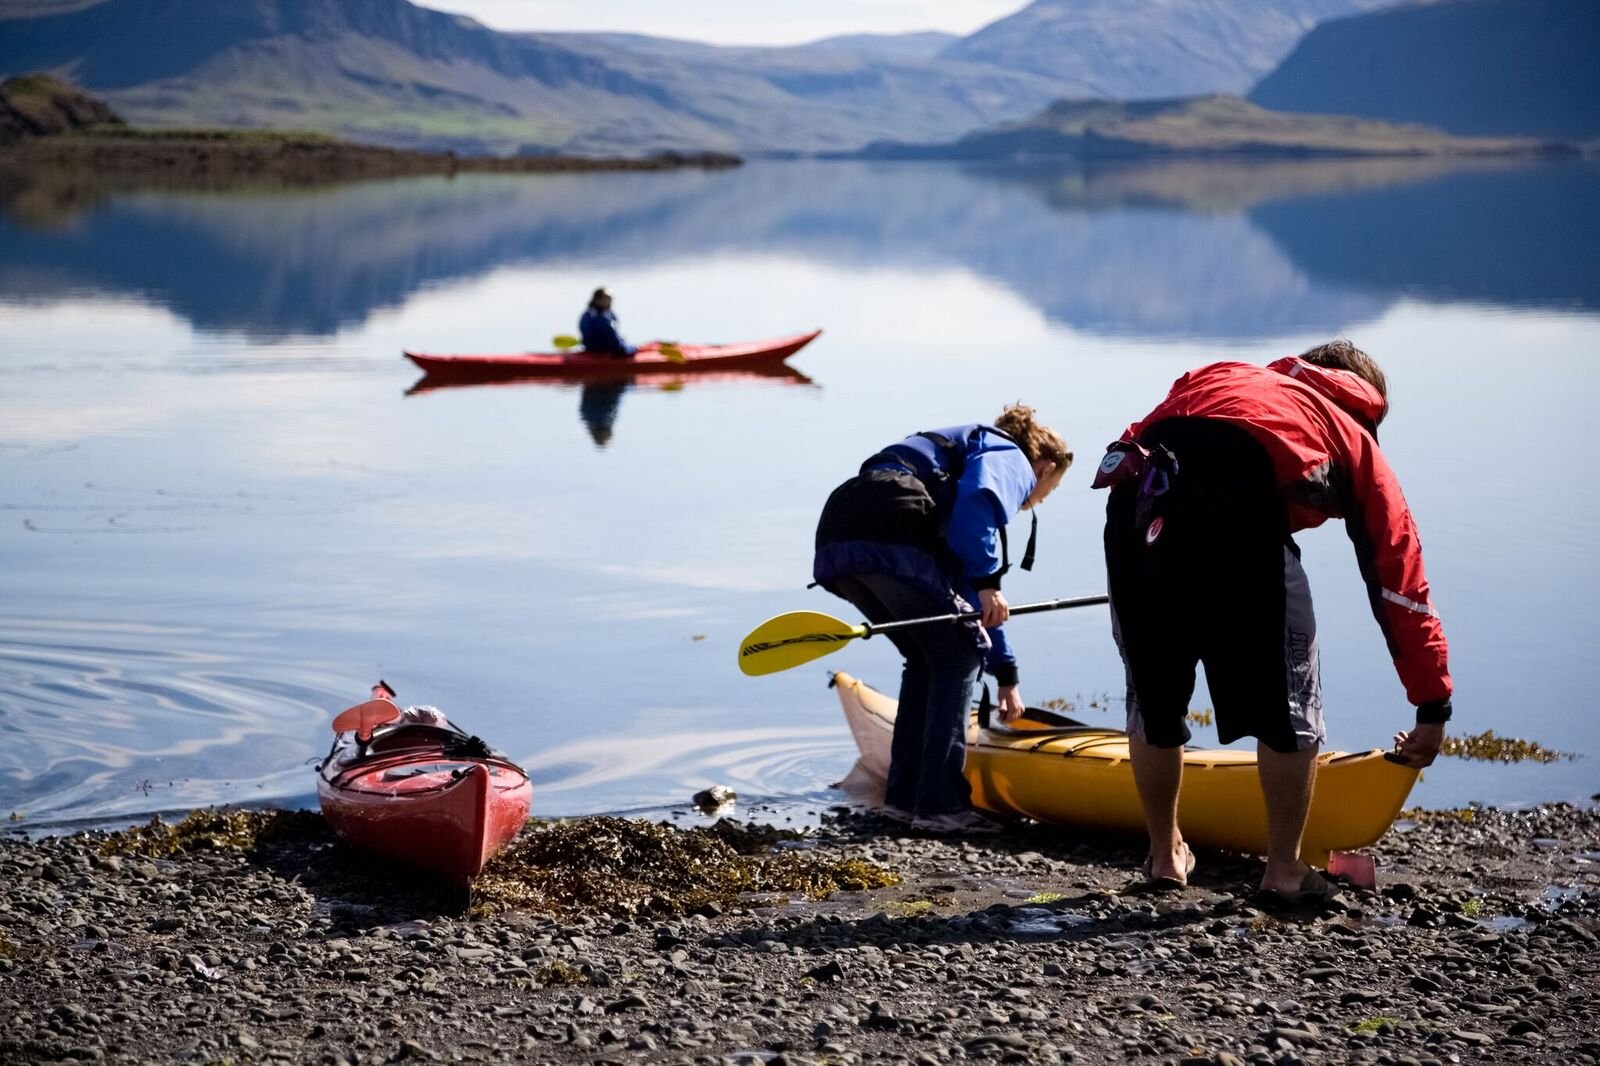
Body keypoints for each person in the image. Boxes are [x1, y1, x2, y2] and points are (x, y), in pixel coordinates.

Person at [1094, 341, 1451, 904]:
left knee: (1153, 696)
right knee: (1288, 705)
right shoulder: (1349, 428)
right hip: (1242, 519)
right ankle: (1283, 871)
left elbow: (1136, 439)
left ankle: (1165, 857)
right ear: (1367, 403)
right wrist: (1432, 703)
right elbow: (1399, 575)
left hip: (1138, 509)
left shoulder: (1221, 376)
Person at [814, 404, 1072, 834]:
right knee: (955, 660)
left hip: (841, 534)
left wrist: (1005, 674)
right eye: (1047, 490)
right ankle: (940, 805)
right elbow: (978, 509)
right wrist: (991, 581)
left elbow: (970, 603)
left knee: (929, 655)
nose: (1035, 500)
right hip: (891, 526)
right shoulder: (1009, 456)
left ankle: (904, 800)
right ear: (1043, 468)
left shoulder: (954, 470)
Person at [578, 287, 634, 358]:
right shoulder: (602, 318)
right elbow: (614, 342)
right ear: (597, 300)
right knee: (629, 349)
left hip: (590, 348)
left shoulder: (587, 314)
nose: (611, 301)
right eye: (607, 298)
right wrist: (630, 348)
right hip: (603, 351)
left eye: (611, 298)